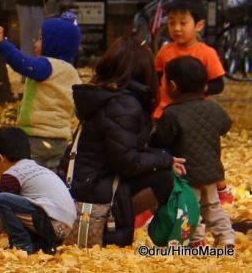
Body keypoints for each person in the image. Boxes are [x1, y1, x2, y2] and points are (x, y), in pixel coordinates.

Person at [68, 37, 185, 246]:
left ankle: (123, 216)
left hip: (88, 179)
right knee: (163, 180)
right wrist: (164, 160)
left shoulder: (108, 95)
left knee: (162, 171)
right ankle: (111, 220)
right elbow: (127, 162)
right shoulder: (124, 104)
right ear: (143, 68)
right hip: (94, 185)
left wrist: (162, 158)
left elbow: (125, 152)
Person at [153, 0, 232, 204]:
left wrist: (200, 89)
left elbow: (218, 84)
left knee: (201, 153)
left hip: (194, 116)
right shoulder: (164, 51)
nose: (176, 28)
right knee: (165, 152)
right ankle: (167, 193)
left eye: (182, 22)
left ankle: (218, 187)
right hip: (165, 111)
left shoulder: (206, 53)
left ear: (198, 25)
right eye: (171, 23)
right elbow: (157, 77)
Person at [150, 56, 235, 247]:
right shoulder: (213, 108)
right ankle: (226, 236)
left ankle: (196, 241)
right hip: (212, 170)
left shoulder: (171, 114)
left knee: (190, 208)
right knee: (212, 206)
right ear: (205, 86)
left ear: (172, 86)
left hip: (187, 173)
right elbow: (225, 125)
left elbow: (159, 141)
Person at [0, 12, 82, 171]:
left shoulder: (47, 66)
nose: (35, 41)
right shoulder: (72, 73)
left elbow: (23, 64)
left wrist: (3, 45)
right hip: (60, 138)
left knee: (29, 175)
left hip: (37, 137)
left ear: (54, 43)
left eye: (41, 38)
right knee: (53, 176)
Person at [0, 127, 76, 255]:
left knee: (2, 200)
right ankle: (42, 246)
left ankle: (21, 246)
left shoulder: (11, 175)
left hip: (52, 222)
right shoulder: (38, 168)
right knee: (28, 205)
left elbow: (0, 215)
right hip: (67, 224)